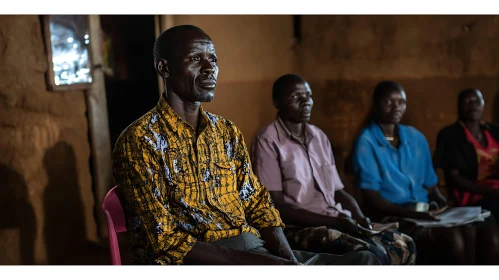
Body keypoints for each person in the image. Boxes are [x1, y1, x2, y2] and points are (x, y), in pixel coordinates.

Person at [112, 25, 380, 265]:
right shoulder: (140, 141)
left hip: (251, 249)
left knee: (367, 261)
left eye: (213, 60)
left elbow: (257, 203)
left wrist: (288, 261)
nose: (209, 68)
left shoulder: (226, 132)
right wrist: (258, 264)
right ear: (164, 68)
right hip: (202, 260)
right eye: (195, 59)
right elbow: (164, 241)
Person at [251, 74, 416, 265]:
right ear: (276, 102)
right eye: (296, 97)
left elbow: (338, 191)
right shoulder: (267, 140)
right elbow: (276, 205)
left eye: (309, 96)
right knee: (371, 253)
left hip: (337, 218)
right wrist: (336, 222)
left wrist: (361, 218)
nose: (306, 102)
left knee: (405, 244)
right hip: (300, 227)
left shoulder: (318, 136)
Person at [351, 80, 498, 264]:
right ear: (376, 104)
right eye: (389, 101)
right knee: (454, 239)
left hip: (423, 212)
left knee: (479, 228)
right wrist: (412, 214)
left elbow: (430, 186)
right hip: (392, 215)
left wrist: (444, 205)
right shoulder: (366, 142)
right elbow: (373, 198)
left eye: (401, 102)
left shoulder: (415, 137)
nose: (396, 106)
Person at [434, 88, 499, 263]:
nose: (473, 105)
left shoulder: (494, 131)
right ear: (459, 106)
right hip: (471, 195)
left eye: (477, 101)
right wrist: (490, 192)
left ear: (483, 104)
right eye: (467, 102)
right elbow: (453, 177)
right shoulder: (451, 135)